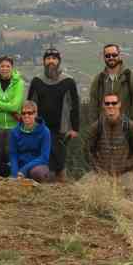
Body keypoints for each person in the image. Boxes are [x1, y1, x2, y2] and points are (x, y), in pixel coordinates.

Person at [89, 43, 133, 183]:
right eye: (107, 55)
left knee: (132, 159)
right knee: (107, 159)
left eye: (114, 55)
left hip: (126, 127)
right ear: (104, 57)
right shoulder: (99, 79)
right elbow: (93, 104)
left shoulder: (129, 76)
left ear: (119, 55)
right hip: (105, 127)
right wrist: (95, 127)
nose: (111, 58)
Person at [27, 48, 80, 183]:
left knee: (59, 160)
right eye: (48, 58)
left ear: (59, 62)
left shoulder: (68, 81)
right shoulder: (37, 81)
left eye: (54, 58)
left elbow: (75, 106)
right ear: (44, 62)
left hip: (61, 129)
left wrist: (75, 128)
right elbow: (30, 104)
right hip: (40, 128)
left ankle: (61, 186)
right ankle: (45, 185)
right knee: (44, 159)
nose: (51, 61)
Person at [84, 93, 133, 185]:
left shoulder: (131, 126)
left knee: (131, 194)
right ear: (103, 105)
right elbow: (87, 150)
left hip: (125, 174)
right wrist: (98, 167)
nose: (110, 106)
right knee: (82, 191)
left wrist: (126, 165)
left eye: (114, 103)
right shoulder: (97, 126)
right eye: (107, 103)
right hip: (102, 174)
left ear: (119, 104)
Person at [9, 100, 52, 182]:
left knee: (37, 173)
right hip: (20, 165)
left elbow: (44, 157)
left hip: (37, 166)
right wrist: (15, 174)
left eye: (30, 113)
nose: (26, 115)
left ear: (35, 114)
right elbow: (13, 154)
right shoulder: (14, 132)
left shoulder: (45, 132)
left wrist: (23, 170)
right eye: (23, 113)